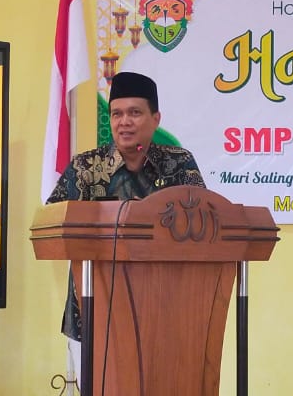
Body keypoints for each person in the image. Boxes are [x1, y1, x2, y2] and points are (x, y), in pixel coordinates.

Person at [46, 70, 205, 339]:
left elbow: (203, 224)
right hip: (93, 312)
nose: (124, 122)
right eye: (116, 114)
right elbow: (52, 225)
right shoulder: (86, 167)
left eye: (135, 113)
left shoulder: (178, 164)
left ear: (156, 119)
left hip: (165, 309)